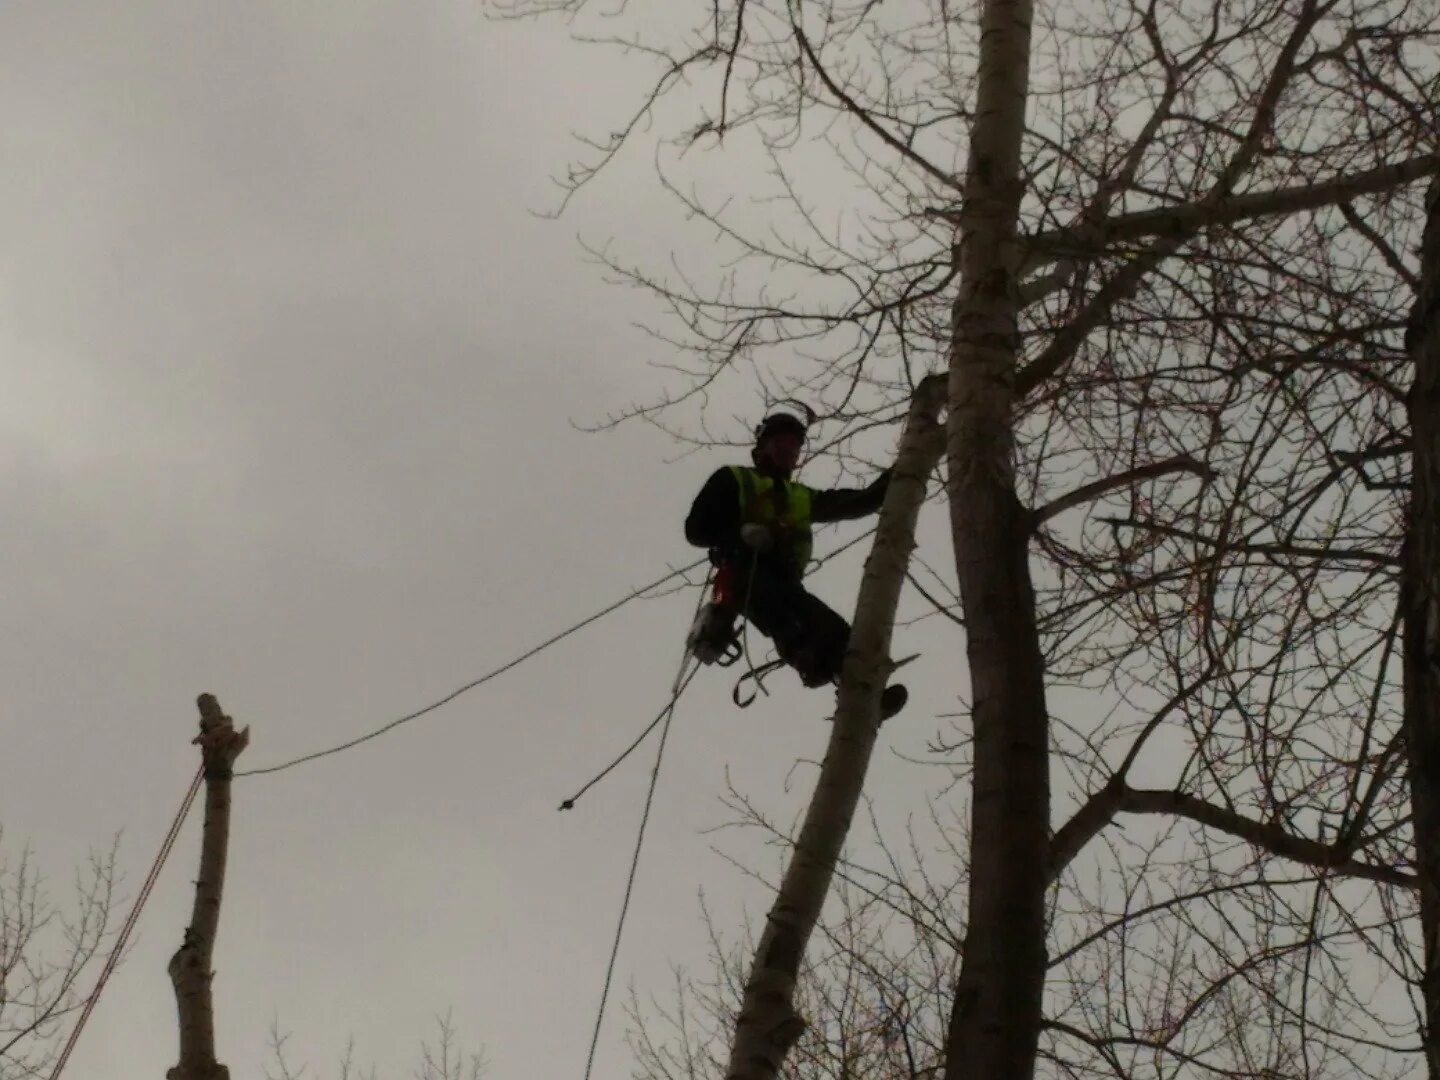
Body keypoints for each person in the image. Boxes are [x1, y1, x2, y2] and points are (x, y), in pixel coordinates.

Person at [684, 409, 908, 719]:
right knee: (781, 611)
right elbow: (696, 529)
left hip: (784, 580)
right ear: (761, 448)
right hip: (743, 571)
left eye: (793, 450)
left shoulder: (801, 497)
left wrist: (906, 466)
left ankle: (866, 692)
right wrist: (738, 534)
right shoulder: (734, 479)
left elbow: (860, 501)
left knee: (831, 626)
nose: (787, 455)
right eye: (780, 447)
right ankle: (803, 654)